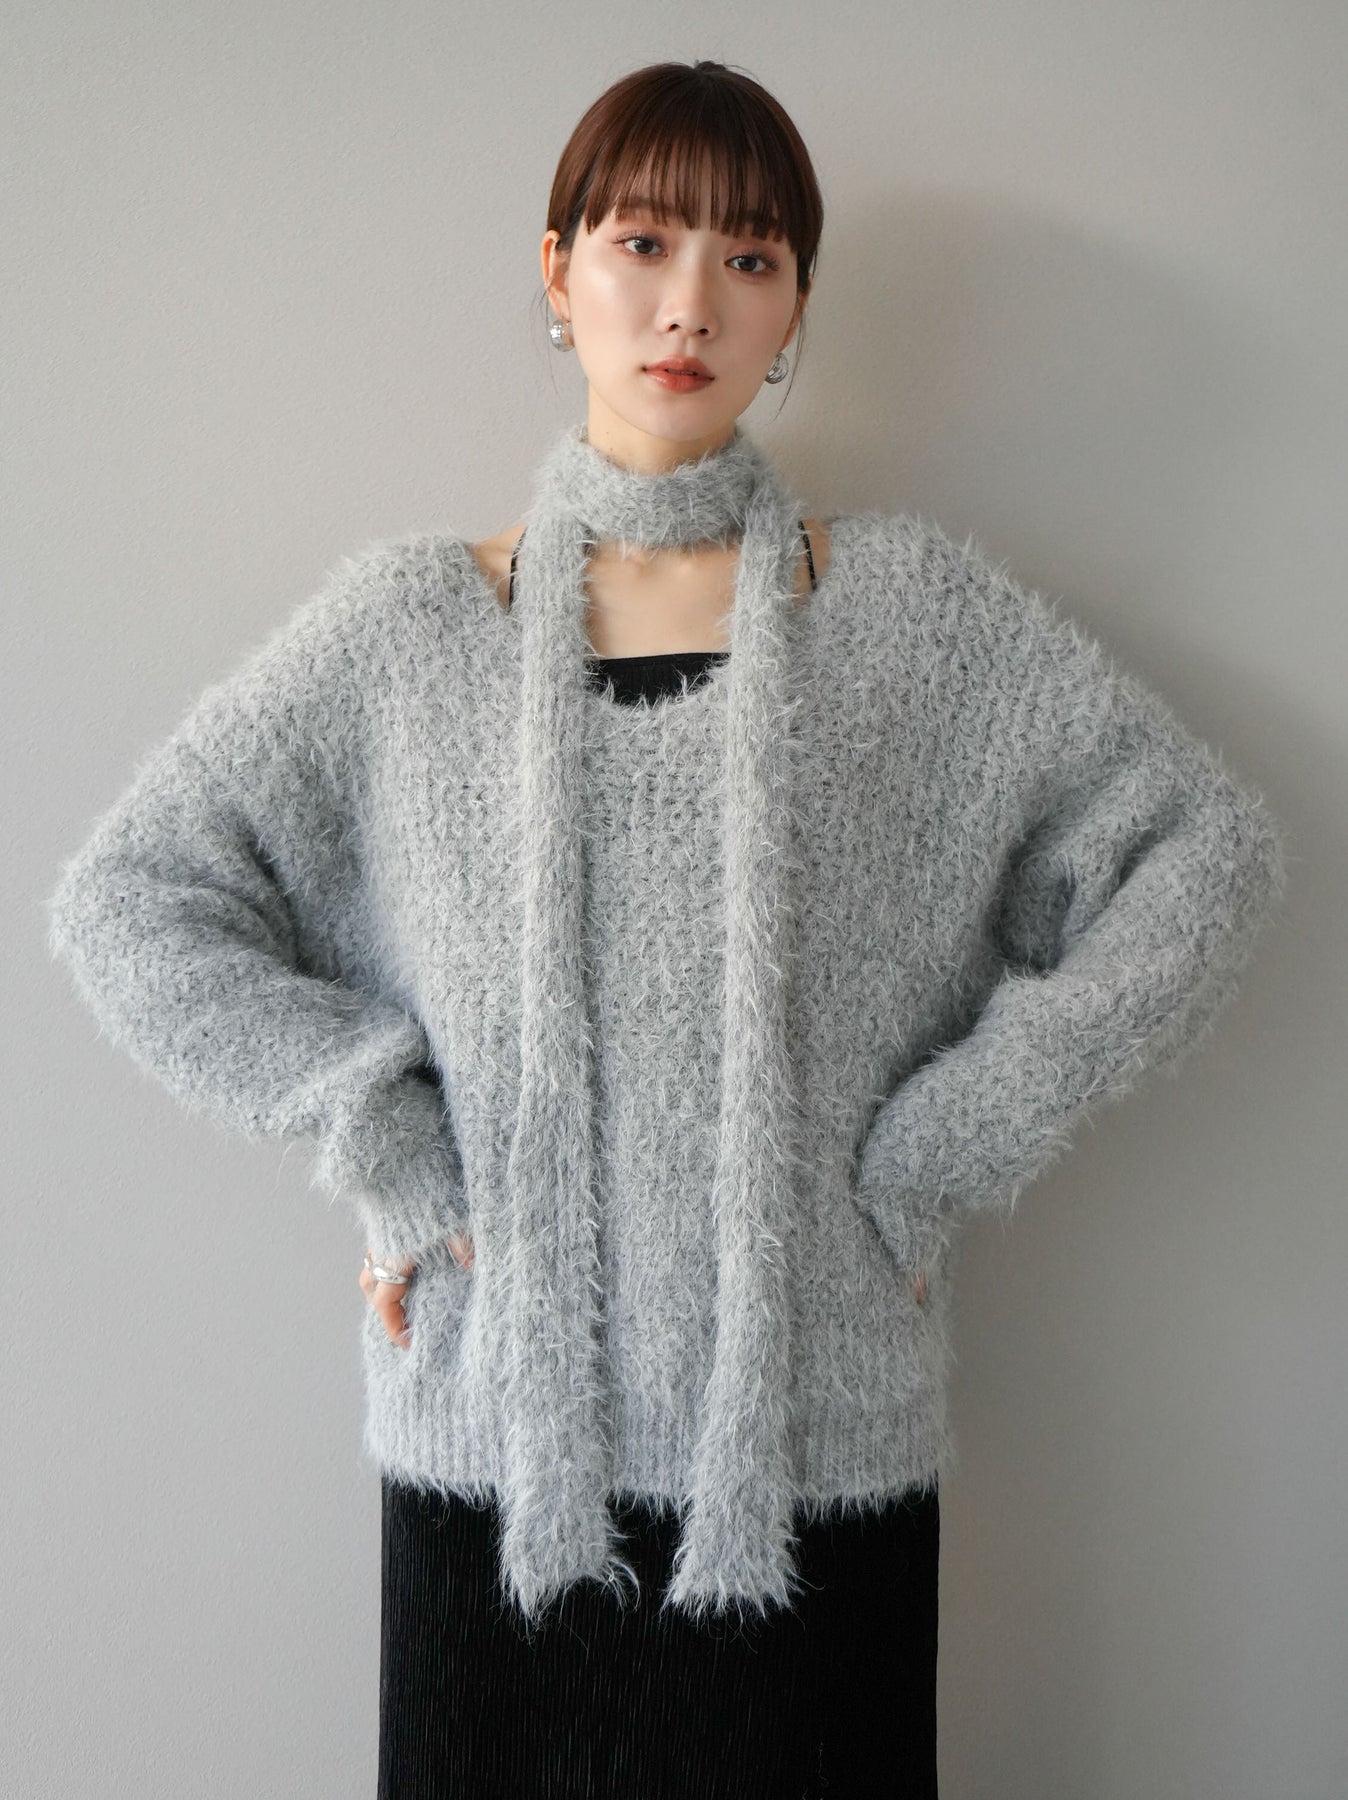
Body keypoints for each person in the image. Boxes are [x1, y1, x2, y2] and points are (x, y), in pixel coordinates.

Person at [46, 57, 1288, 1800]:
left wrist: (955, 1139)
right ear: (557, 271)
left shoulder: (911, 622)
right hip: (488, 1463)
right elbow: (129, 901)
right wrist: (374, 1126)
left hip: (816, 1461)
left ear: (793, 309)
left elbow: (1200, 854)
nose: (692, 301)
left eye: (750, 257)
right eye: (644, 242)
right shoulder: (408, 633)